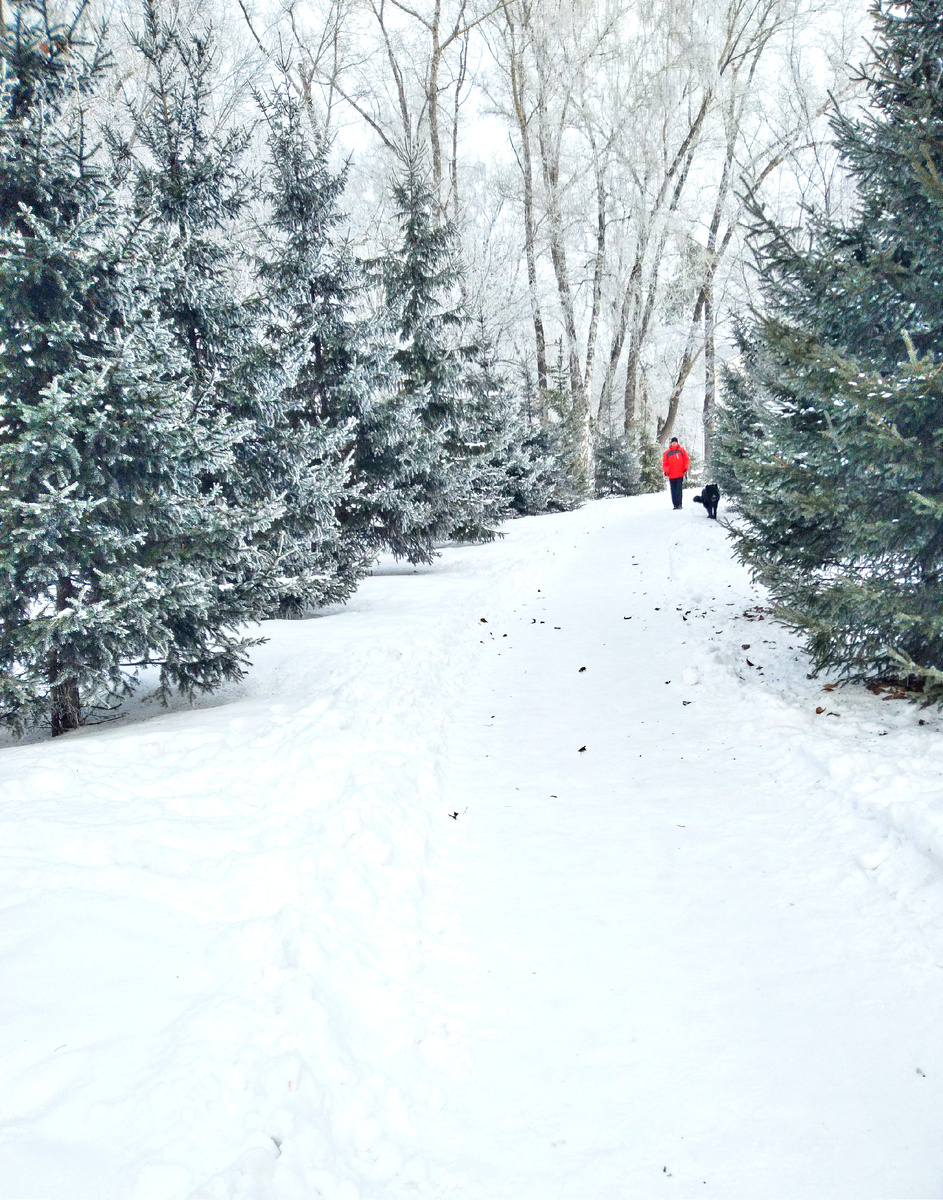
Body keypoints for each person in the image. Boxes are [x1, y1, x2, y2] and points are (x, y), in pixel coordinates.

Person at [662, 436, 689, 509]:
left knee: (679, 490)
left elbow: (686, 460)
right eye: (673, 442)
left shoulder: (681, 451)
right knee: (673, 490)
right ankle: (675, 504)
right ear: (671, 443)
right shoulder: (667, 453)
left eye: (675, 442)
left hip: (680, 474)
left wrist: (685, 468)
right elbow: (665, 463)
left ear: (677, 443)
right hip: (671, 475)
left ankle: (679, 504)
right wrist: (666, 471)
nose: (674, 443)